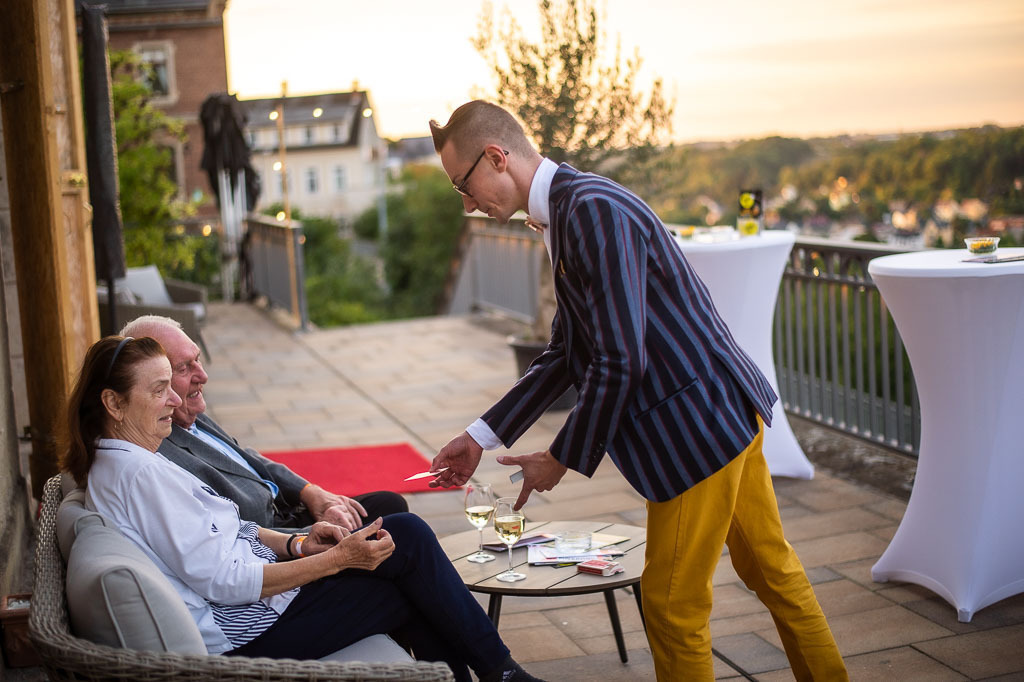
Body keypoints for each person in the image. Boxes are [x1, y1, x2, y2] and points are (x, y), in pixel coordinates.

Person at [426, 100, 848, 681]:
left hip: (695, 431)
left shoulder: (591, 210)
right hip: (722, 414)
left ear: (496, 157)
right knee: (774, 573)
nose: (469, 203)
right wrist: (479, 437)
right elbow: (566, 354)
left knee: (672, 608)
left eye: (463, 187)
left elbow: (620, 358)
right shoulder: (570, 210)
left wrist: (561, 457)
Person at [60, 335, 542, 682]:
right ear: (113, 403)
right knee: (409, 548)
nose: (174, 400)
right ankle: (502, 673)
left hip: (251, 609)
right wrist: (335, 560)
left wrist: (297, 542)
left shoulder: (122, 461)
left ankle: (496, 673)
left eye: (172, 383)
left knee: (401, 544)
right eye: (157, 389)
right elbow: (225, 581)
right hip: (245, 637)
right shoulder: (139, 473)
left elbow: (226, 533)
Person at [119, 315, 406, 532]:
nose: (202, 376)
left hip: (290, 513)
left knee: (391, 505)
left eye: (197, 360)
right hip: (278, 544)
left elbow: (246, 457)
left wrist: (311, 492)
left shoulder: (191, 416)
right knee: (402, 531)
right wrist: (311, 534)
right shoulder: (160, 445)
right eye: (184, 368)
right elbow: (235, 539)